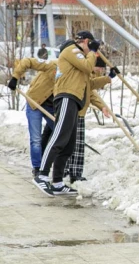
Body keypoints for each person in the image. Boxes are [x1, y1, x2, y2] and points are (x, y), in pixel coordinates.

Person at [35, 31, 99, 197]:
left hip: (75, 101)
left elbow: (89, 78)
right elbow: (87, 66)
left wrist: (107, 76)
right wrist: (92, 51)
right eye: (89, 44)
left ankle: (57, 182)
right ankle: (41, 174)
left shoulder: (79, 58)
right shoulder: (72, 50)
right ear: (85, 41)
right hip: (66, 98)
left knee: (68, 144)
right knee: (58, 137)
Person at [7, 48, 57, 177]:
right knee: (36, 138)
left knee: (60, 134)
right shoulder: (52, 65)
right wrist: (15, 77)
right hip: (34, 102)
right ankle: (38, 167)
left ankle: (59, 164)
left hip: (51, 107)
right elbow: (27, 61)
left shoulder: (74, 73)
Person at [64, 58, 113, 184]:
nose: (99, 71)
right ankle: (67, 171)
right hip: (72, 110)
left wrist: (102, 107)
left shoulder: (86, 74)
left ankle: (73, 172)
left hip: (79, 111)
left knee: (77, 144)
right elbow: (91, 85)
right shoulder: (80, 73)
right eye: (99, 68)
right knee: (69, 143)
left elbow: (90, 93)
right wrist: (108, 78)